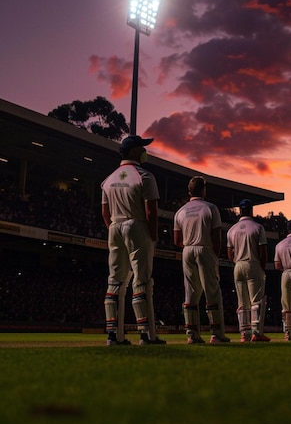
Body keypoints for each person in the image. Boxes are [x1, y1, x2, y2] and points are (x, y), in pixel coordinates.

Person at [101, 135, 166, 345]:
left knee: (115, 281)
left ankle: (113, 335)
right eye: (143, 147)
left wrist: (113, 229)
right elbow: (151, 211)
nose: (145, 151)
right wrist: (153, 235)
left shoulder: (108, 180)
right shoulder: (144, 176)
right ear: (135, 151)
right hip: (137, 226)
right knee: (142, 280)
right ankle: (146, 334)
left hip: (114, 225)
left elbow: (104, 212)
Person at [173, 176, 229, 344]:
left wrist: (189, 244)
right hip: (205, 248)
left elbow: (176, 241)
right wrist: (214, 256)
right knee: (212, 291)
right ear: (204, 189)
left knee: (190, 292)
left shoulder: (180, 211)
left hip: (187, 249)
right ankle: (216, 334)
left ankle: (192, 334)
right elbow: (217, 237)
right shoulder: (211, 208)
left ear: (189, 191)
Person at [226, 199, 271, 342]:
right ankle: (256, 333)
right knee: (256, 301)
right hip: (253, 263)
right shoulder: (257, 228)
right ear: (251, 210)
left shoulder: (232, 230)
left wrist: (236, 262)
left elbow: (229, 253)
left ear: (240, 211)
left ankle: (244, 334)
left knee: (242, 302)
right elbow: (263, 252)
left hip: (238, 265)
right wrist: (262, 268)